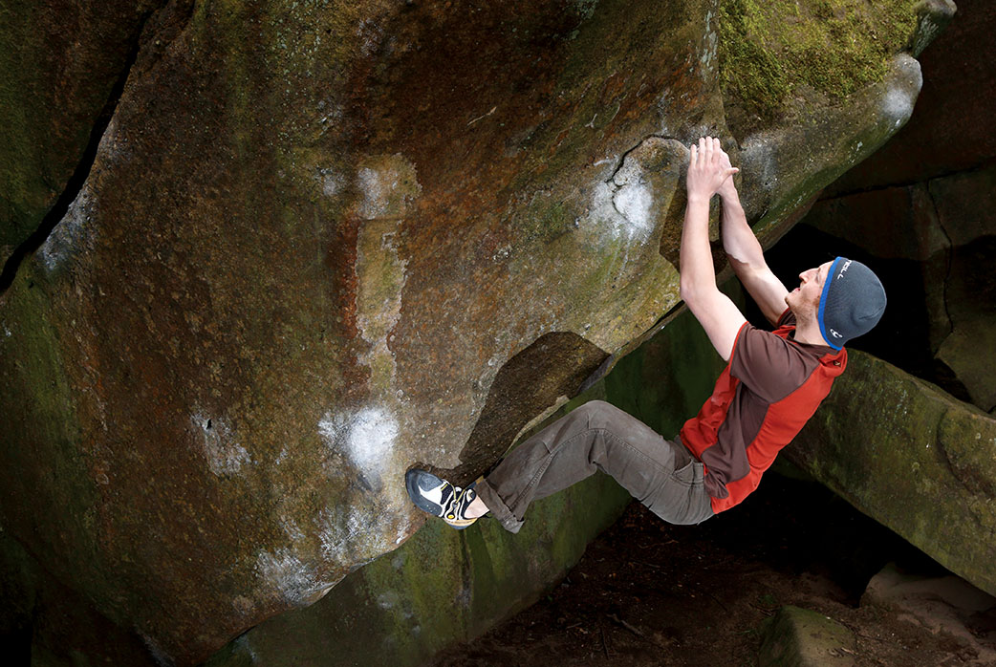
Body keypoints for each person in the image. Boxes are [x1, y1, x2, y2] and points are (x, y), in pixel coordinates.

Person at [406, 136, 887, 532]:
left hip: (694, 487)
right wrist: (726, 190)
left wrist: (698, 196)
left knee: (595, 423)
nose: (803, 274)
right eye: (818, 268)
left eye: (817, 280)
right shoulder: (815, 339)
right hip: (690, 461)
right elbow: (749, 262)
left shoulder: (785, 370)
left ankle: (469, 507)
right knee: (593, 441)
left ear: (823, 312)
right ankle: (497, 495)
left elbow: (697, 292)